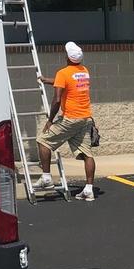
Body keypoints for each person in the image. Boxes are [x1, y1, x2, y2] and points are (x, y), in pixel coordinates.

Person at [34, 41, 96, 201]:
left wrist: (50, 120)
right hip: (85, 118)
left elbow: (56, 99)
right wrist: (48, 80)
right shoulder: (84, 71)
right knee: (87, 154)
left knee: (43, 141)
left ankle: (46, 177)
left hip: (70, 119)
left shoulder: (63, 73)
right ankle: (89, 189)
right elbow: (67, 81)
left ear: (67, 57)